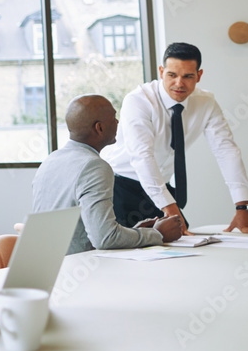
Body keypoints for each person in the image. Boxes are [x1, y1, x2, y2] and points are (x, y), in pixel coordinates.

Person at [103, 42, 248, 234]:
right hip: (119, 187)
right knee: (131, 251)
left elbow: (226, 150)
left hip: (160, 186)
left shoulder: (206, 103)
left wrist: (243, 206)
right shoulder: (138, 100)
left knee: (180, 243)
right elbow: (142, 157)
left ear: (199, 76)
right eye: (172, 75)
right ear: (161, 72)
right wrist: (170, 210)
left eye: (188, 76)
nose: (179, 83)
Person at [32, 95, 183, 255]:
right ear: (100, 128)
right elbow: (104, 239)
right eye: (114, 118)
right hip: (79, 268)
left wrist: (134, 232)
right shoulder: (94, 166)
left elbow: (89, 233)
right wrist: (158, 234)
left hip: (53, 265)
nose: (118, 123)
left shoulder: (50, 161)